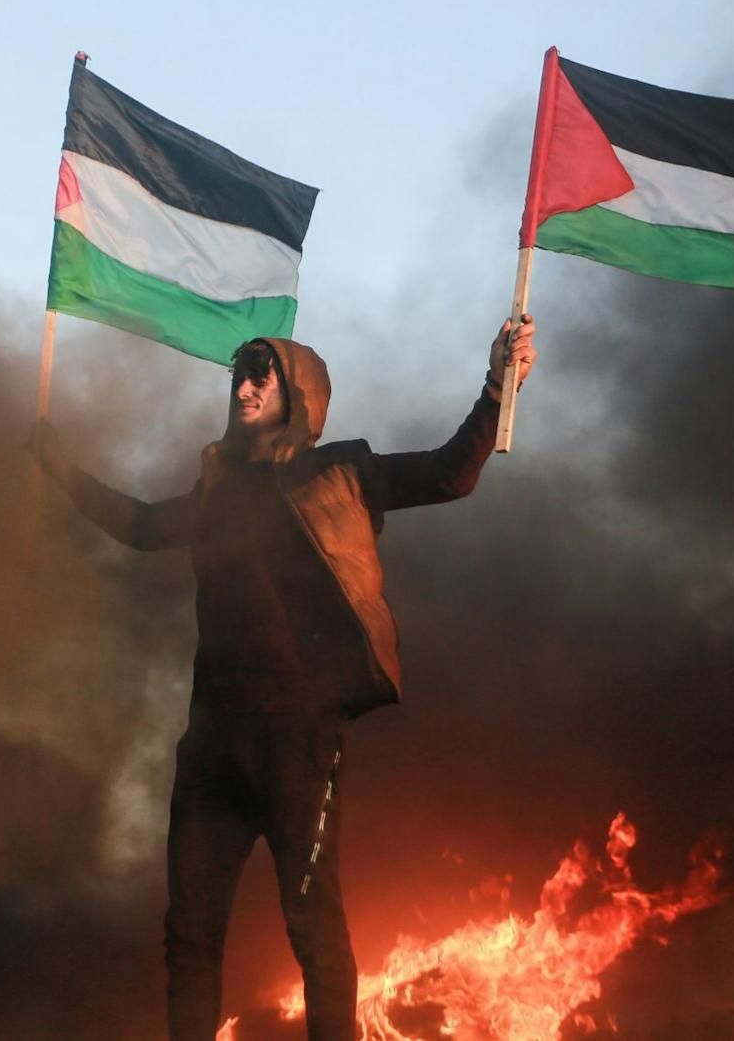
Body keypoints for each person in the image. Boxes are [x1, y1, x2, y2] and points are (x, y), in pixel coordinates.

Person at [32, 315, 537, 1041]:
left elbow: (449, 473)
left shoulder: (342, 472)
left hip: (300, 742)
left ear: (297, 393)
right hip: (212, 748)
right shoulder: (216, 491)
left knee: (314, 931)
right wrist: (61, 472)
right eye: (238, 375)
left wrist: (497, 386)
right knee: (190, 933)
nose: (243, 388)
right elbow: (141, 526)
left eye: (260, 376)